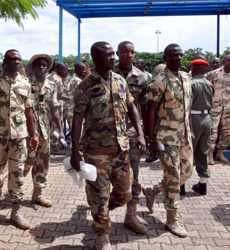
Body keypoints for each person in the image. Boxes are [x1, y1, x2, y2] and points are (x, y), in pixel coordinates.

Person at [70, 41, 145, 249]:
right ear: (96, 58)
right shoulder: (85, 86)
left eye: (114, 54)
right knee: (99, 194)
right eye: (108, 55)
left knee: (124, 194)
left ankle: (100, 210)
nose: (113, 58)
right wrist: (75, 151)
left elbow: (132, 108)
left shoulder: (120, 80)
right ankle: (102, 234)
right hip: (96, 152)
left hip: (121, 149)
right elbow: (77, 119)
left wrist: (140, 134)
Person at [0, 49, 38, 230]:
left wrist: (33, 133)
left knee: (17, 174)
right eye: (12, 59)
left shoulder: (25, 83)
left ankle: (16, 211)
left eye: (19, 60)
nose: (16, 62)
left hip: (19, 137)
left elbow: (28, 110)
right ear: (5, 61)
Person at [143, 43, 193, 238]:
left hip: (184, 135)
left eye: (181, 55)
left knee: (187, 172)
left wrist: (190, 128)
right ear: (165, 58)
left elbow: (186, 106)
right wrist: (150, 139)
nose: (179, 58)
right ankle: (172, 218)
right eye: (174, 55)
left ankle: (153, 190)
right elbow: (151, 111)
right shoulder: (160, 81)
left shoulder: (187, 78)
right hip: (166, 135)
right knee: (173, 176)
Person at [113, 41, 148, 234]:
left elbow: (143, 106)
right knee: (106, 176)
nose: (129, 55)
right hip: (109, 134)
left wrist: (145, 134)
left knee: (134, 175)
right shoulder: (107, 73)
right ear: (118, 53)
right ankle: (102, 217)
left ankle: (131, 215)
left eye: (132, 52)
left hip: (132, 134)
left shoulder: (141, 77)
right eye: (125, 51)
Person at [23, 54, 64, 208]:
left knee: (42, 161)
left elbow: (54, 108)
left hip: (45, 129)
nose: (41, 67)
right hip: (27, 129)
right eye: (38, 65)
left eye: (44, 65)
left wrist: (59, 130)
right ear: (33, 67)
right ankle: (15, 189)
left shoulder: (51, 85)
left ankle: (38, 193)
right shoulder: (25, 83)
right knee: (27, 160)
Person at [187, 58, 214, 195]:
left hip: (194, 118)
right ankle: (203, 184)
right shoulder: (209, 84)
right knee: (203, 151)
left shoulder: (191, 84)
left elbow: (188, 105)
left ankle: (181, 185)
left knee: (187, 151)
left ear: (194, 69)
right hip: (206, 119)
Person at [207, 54, 230, 164]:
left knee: (227, 132)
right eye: (228, 60)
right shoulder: (214, 74)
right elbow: (208, 91)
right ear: (224, 62)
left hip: (228, 108)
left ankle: (220, 152)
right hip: (215, 107)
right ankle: (210, 154)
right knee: (212, 131)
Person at [66, 62, 86, 127]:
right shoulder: (78, 81)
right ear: (77, 70)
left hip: (72, 110)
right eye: (82, 69)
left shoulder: (74, 79)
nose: (84, 71)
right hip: (76, 111)